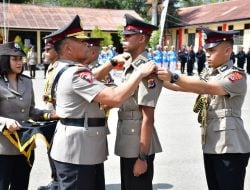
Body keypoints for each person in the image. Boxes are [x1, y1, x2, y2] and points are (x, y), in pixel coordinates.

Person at [44, 15, 156, 190]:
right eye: (81, 42)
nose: (87, 45)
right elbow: (114, 98)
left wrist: (111, 64)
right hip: (77, 153)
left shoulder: (65, 68)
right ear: (68, 48)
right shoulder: (76, 73)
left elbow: (91, 79)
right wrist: (139, 74)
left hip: (79, 149)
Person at [157, 27, 250, 190]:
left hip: (231, 147)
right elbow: (183, 86)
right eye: (207, 50)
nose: (207, 54)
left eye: (212, 50)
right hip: (212, 144)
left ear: (228, 51)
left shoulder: (236, 76)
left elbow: (207, 88)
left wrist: (174, 76)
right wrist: (155, 78)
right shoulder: (210, 74)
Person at [114, 14, 162, 190]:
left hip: (138, 145)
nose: (123, 39)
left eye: (128, 36)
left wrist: (142, 157)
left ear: (141, 38)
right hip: (128, 140)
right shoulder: (132, 65)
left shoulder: (147, 69)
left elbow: (148, 117)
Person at [0, 42, 55, 190]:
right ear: (5, 60)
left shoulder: (27, 81)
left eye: (21, 58)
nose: (20, 62)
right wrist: (5, 122)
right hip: (3, 148)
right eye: (15, 59)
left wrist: (50, 115)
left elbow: (31, 111)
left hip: (25, 147)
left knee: (21, 185)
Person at [38, 40, 59, 190]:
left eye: (47, 49)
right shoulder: (51, 67)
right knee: (50, 148)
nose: (45, 53)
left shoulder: (61, 68)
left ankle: (58, 181)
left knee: (57, 150)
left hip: (59, 115)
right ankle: (55, 180)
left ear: (56, 51)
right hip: (50, 113)